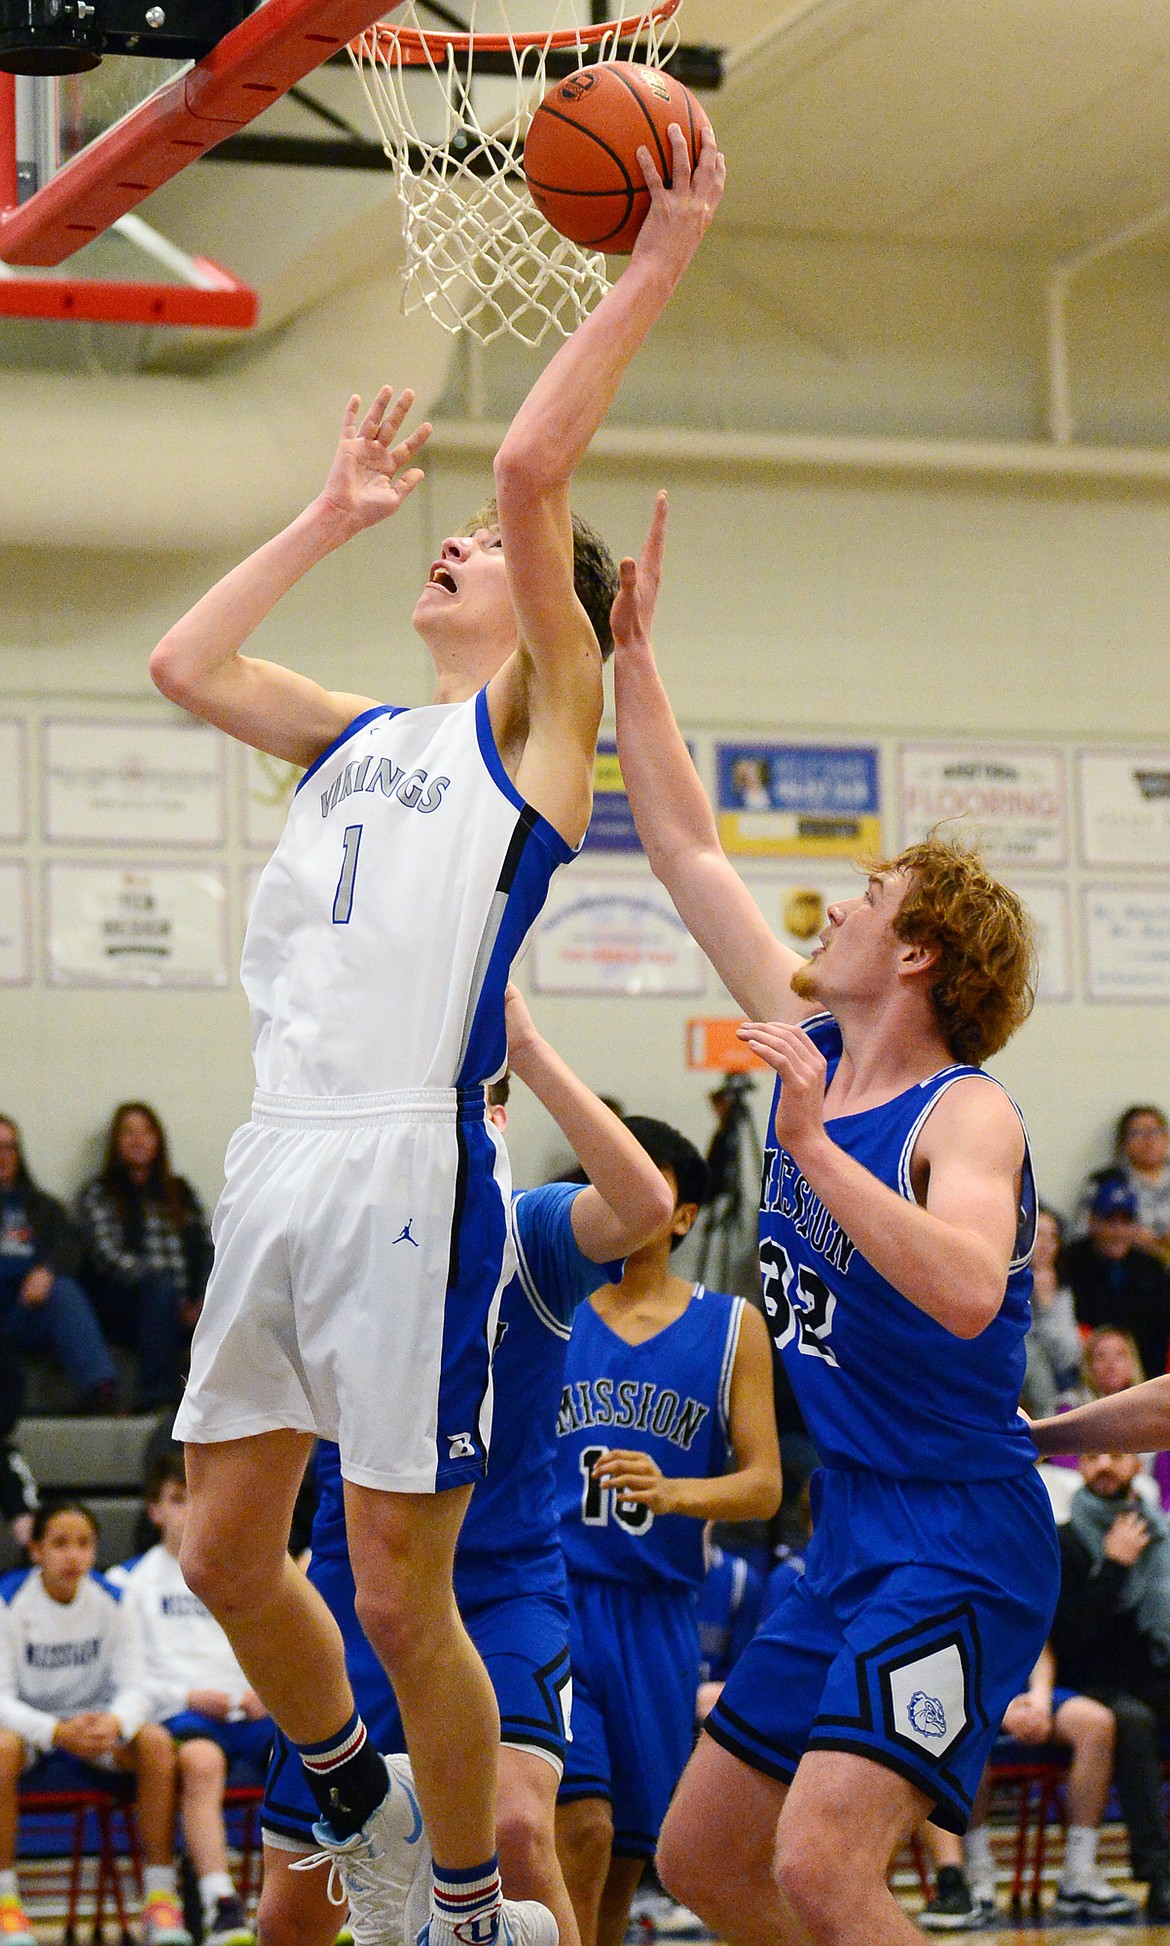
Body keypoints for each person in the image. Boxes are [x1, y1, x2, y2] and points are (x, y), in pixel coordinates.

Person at [607, 499, 1057, 1946]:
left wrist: (806, 1142)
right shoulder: (812, 1034)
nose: (834, 906)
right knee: (705, 1849)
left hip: (959, 1532)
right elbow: (685, 848)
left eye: (865, 897)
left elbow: (971, 1287)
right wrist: (632, 656)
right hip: (850, 1525)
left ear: (915, 952)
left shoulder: (958, 1116)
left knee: (818, 1864)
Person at [255, 987, 673, 1946]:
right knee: (292, 1916)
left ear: (489, 1117)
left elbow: (646, 1204)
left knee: (519, 1831)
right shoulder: (322, 1243)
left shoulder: (528, 1234)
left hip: (499, 1588)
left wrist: (523, 1046)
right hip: (356, 1589)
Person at [553, 1119, 781, 1946]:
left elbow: (765, 1487)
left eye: (641, 1180)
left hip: (660, 1610)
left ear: (682, 1214)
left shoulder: (731, 1326)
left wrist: (677, 1490)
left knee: (623, 1858)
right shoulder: (552, 1311)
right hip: (557, 1599)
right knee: (577, 1828)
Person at [0, 1502, 189, 1946]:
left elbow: (137, 1685)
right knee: (1, 1750)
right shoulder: (8, 1602)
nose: (73, 1555)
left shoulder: (113, 1599)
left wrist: (116, 1723)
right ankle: (7, 1903)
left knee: (158, 1742)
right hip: (33, 1730)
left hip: (94, 1727)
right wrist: (53, 1731)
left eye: (84, 1544)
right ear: (35, 1551)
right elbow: (0, 1698)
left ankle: (161, 1898)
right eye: (60, 1543)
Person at [111, 1452, 272, 1946]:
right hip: (179, 1712)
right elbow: (129, 1679)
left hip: (249, 1708)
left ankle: (314, 1895)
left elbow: (269, 1644)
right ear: (155, 1511)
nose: (189, 1511)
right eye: (177, 1500)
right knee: (201, 1762)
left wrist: (264, 1689)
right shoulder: (126, 1583)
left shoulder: (243, 1572)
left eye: (197, 1499)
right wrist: (186, 1695)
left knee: (312, 1748)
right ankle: (220, 1902)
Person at [918, 1645, 1136, 1928]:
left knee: (1097, 1723)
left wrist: (1040, 1700)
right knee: (965, 1738)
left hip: (1023, 1694)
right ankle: (976, 1875)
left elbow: (1040, 1650)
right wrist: (994, 1709)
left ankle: (1078, 1874)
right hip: (963, 1698)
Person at [77, 1103, 212, 1410]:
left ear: (158, 1139)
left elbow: (208, 1249)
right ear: (116, 1141)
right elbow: (107, 1256)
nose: (138, 1139)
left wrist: (202, 1298)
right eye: (128, 1132)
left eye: (146, 1131)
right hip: (126, 1304)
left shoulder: (181, 1192)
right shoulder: (100, 1193)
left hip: (188, 1306)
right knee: (159, 1286)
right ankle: (157, 1397)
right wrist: (167, 1297)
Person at [0, 1116, 117, 1414]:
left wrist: (46, 1271)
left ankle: (101, 1391)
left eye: (10, 1148)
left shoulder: (44, 1207)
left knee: (63, 1289)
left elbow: (70, 1249)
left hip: (26, 1312)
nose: (3, 1156)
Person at [1062, 1176, 1170, 1385]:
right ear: (1092, 1222)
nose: (1118, 1232)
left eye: (1126, 1222)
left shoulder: (1152, 1268)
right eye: (1110, 1222)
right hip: (1083, 1379)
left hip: (1145, 1380)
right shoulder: (1070, 1262)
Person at [1076, 1106, 1170, 1259]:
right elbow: (1082, 1233)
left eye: (1155, 1132)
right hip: (1127, 1267)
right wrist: (1127, 1236)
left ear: (1166, 1138)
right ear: (1123, 1143)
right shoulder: (1105, 1181)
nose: (1148, 1140)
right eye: (1138, 1133)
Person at [1020, 1206, 1082, 1420]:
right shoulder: (1006, 1282)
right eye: (1038, 1235)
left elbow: (1068, 1357)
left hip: (1055, 1384)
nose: (1045, 1245)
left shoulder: (1061, 1289)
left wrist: (1047, 1307)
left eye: (1052, 1237)